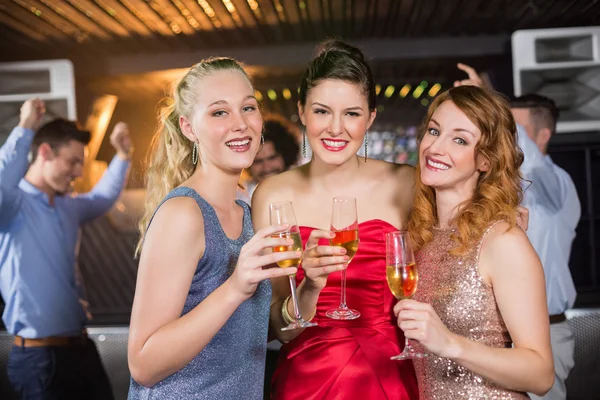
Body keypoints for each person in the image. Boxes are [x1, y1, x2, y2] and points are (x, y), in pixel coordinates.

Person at [252, 39, 418, 400]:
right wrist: (310, 287)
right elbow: (279, 329)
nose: (335, 128)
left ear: (371, 117)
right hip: (306, 380)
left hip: (390, 374)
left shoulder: (406, 184)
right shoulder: (271, 195)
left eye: (352, 113)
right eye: (322, 111)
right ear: (302, 111)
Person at [127, 57, 298, 399]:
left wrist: (309, 290)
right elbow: (143, 364)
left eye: (248, 108)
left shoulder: (249, 214)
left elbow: (255, 333)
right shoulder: (184, 213)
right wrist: (235, 286)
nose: (241, 124)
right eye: (220, 112)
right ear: (189, 127)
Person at [395, 85, 554, 398]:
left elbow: (542, 374)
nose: (435, 148)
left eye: (459, 139)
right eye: (433, 131)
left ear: (485, 161)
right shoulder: (420, 236)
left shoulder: (502, 240)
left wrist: (450, 344)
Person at [455, 64, 580, 400]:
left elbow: (534, 165)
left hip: (546, 337)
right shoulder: (493, 188)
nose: (502, 134)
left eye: (513, 128)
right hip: (495, 341)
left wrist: (490, 100)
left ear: (542, 135)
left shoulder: (558, 186)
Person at [0, 98, 133, 399]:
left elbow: (103, 197)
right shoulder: (11, 206)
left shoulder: (68, 207)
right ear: (45, 152)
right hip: (39, 361)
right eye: (72, 162)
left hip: (82, 349)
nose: (77, 173)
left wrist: (123, 155)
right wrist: (25, 127)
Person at [238, 116, 300, 203]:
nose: (266, 167)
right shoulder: (241, 201)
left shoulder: (305, 186)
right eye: (258, 161)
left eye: (272, 158)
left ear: (286, 156)